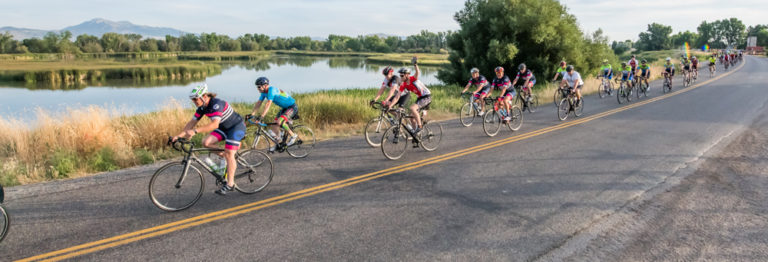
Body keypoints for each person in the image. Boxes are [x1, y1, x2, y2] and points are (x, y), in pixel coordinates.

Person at [173, 84, 246, 195]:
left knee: (230, 153)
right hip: (224, 128)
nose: (194, 101)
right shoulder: (202, 108)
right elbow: (192, 123)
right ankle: (228, 158)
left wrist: (195, 131)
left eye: (195, 99)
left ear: (204, 96)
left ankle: (230, 184)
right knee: (206, 142)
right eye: (192, 99)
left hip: (236, 127)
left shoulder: (216, 104)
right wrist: (178, 136)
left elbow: (214, 125)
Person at [249, 77, 298, 152]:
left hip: (292, 107)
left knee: (280, 122)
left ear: (265, 85)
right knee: (274, 125)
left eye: (259, 87)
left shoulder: (271, 90)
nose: (258, 88)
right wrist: (252, 114)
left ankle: (293, 136)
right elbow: (259, 103)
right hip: (285, 108)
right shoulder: (263, 93)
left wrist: (262, 116)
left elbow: (268, 104)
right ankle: (279, 143)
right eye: (257, 87)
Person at [388, 57, 431, 134]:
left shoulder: (412, 79)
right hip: (420, 98)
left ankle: (420, 127)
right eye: (400, 75)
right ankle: (416, 134)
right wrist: (390, 106)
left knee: (412, 108)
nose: (400, 77)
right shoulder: (403, 84)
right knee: (412, 118)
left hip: (426, 97)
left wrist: (415, 64)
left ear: (407, 75)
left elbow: (417, 72)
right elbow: (397, 96)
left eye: (402, 76)